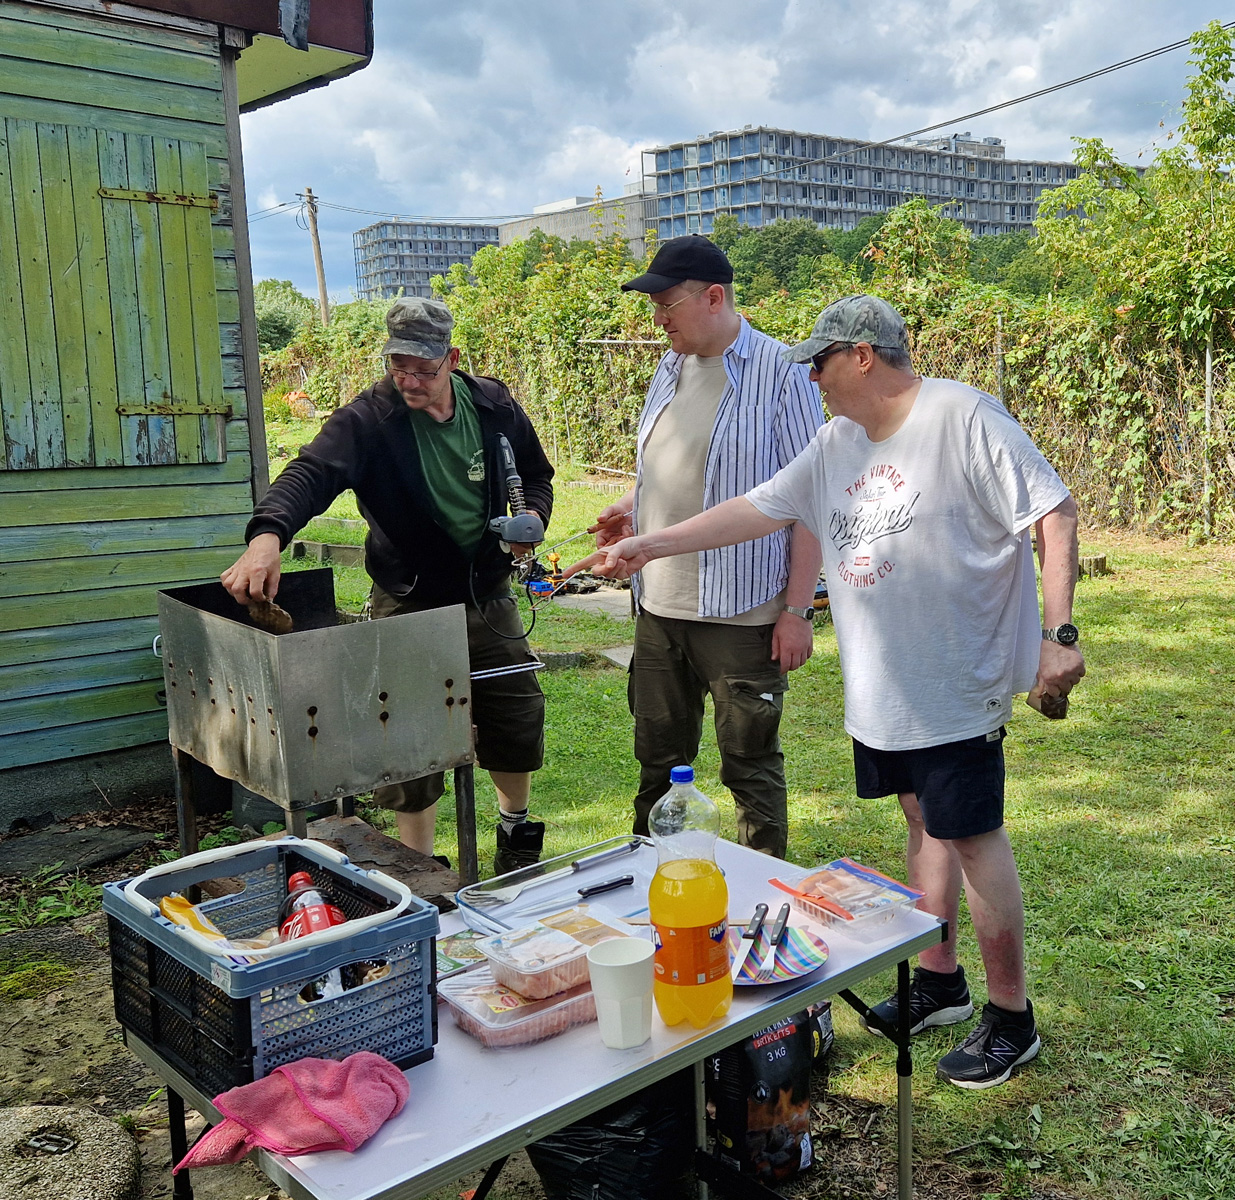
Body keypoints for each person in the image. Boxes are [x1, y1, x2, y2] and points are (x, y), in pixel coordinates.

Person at [577, 294, 1085, 1089]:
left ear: (861, 356)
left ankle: (1011, 1019)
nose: (810, 377)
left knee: (975, 839)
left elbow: (1053, 513)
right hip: (887, 687)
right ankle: (941, 982)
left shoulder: (962, 417)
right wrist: (648, 544)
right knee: (921, 822)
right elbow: (757, 508)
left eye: (818, 362)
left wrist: (1059, 637)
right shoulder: (837, 441)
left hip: (957, 683)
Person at [221, 297, 555, 875]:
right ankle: (419, 864)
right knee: (408, 737)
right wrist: (267, 535)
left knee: (516, 714)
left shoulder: (495, 406)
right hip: (409, 596)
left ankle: (514, 829)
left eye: (423, 369)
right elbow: (311, 473)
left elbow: (537, 475)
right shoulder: (367, 420)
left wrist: (534, 520)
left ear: (451, 359)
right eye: (398, 366)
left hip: (487, 591)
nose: (409, 381)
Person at [592, 236, 824, 860]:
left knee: (749, 768)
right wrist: (633, 510)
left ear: (713, 297)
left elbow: (810, 500)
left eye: (667, 303)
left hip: (742, 614)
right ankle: (656, 889)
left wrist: (797, 610)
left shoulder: (783, 373)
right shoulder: (670, 367)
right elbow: (672, 472)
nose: (658, 318)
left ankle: (759, 902)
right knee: (658, 765)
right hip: (659, 608)